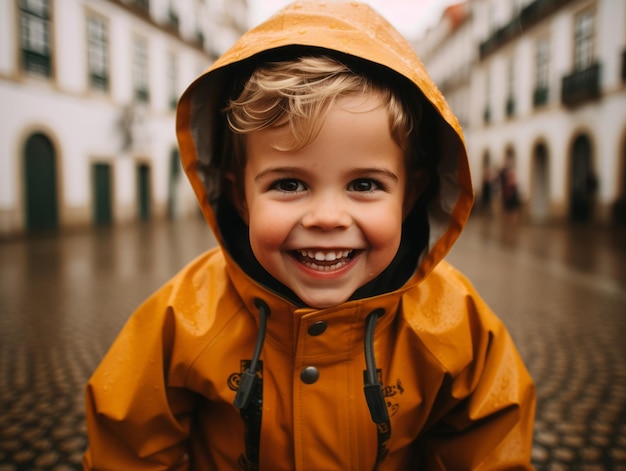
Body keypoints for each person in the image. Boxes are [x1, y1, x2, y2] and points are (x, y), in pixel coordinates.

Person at [83, 2, 535, 469]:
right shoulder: (184, 319)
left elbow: (492, 443)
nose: (326, 217)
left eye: (364, 185)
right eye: (289, 184)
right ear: (241, 198)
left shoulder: (454, 324)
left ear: (409, 194)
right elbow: (126, 448)